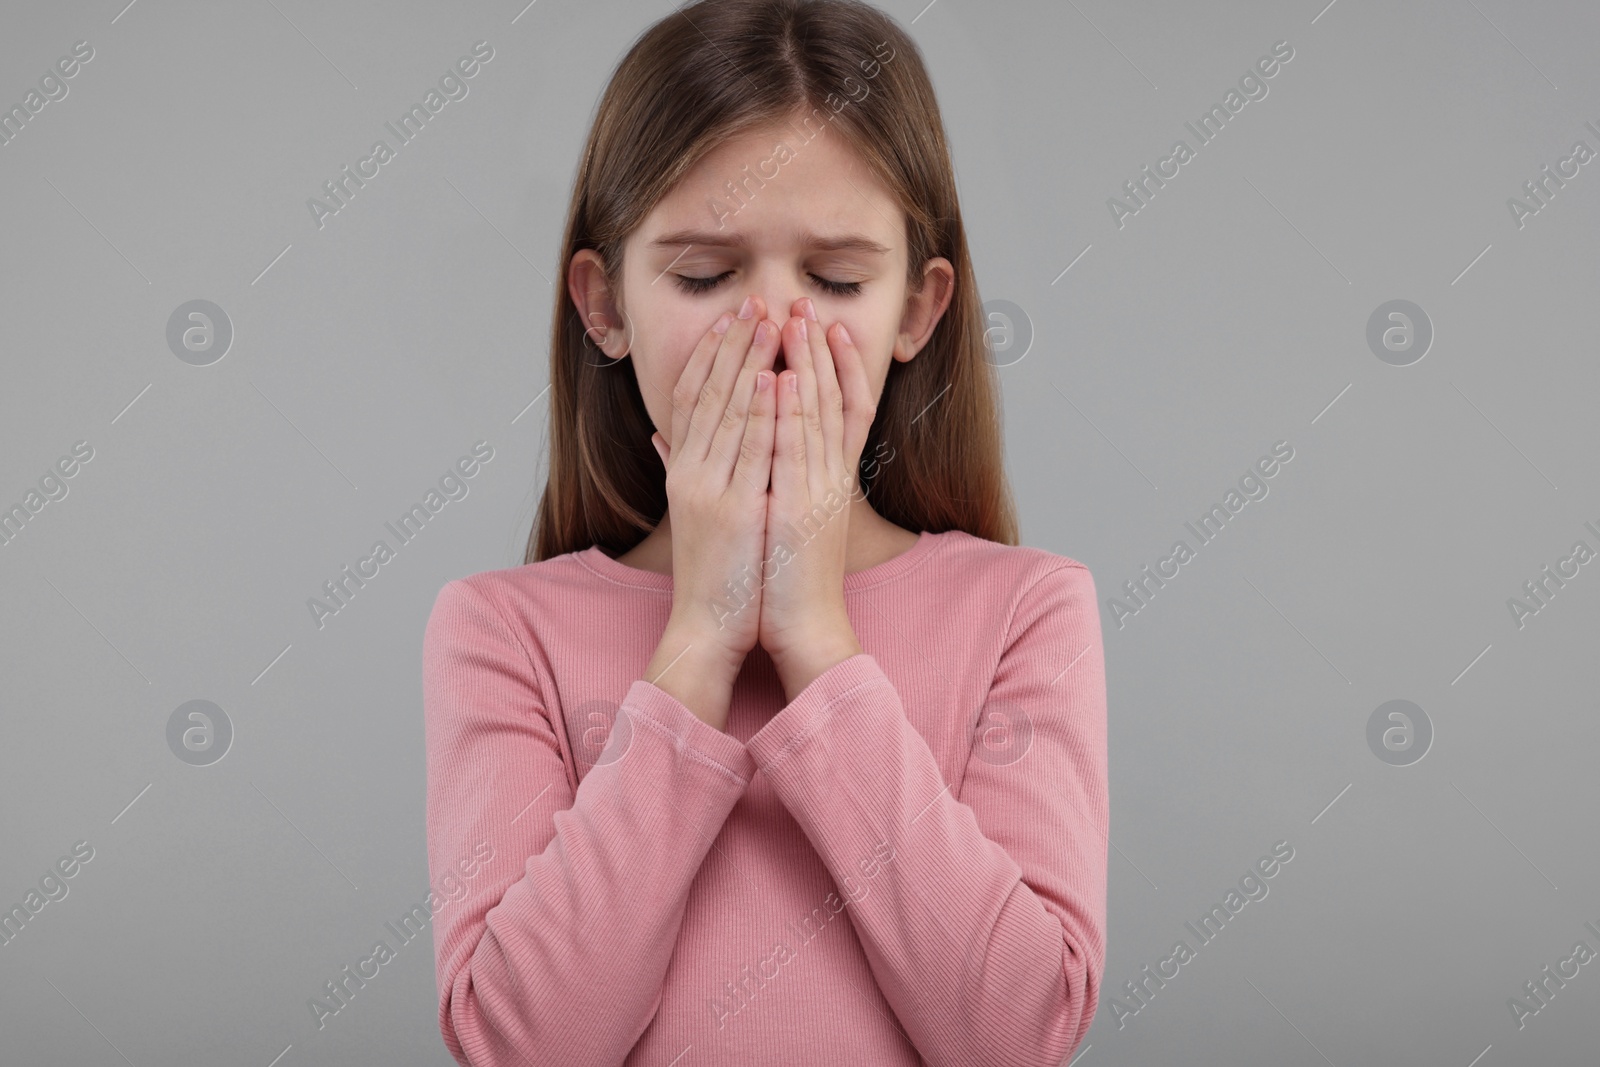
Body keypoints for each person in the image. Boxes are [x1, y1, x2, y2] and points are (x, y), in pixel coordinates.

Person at [421, 1, 1107, 1063]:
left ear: (918, 313)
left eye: (836, 279)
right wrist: (698, 638)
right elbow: (525, 1044)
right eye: (704, 276)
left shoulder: (1027, 609)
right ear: (603, 307)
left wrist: (817, 639)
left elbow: (1016, 1034)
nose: (777, 331)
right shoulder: (501, 630)